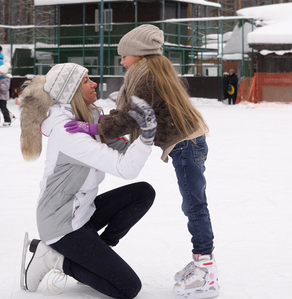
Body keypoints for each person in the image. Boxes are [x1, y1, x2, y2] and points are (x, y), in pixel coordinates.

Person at [64, 25, 219, 299]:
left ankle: (205, 268)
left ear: (137, 54)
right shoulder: (150, 71)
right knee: (193, 204)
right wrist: (99, 122)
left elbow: (131, 117)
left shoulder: (146, 77)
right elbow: (129, 113)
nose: (122, 61)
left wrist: (93, 128)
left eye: (124, 55)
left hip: (186, 145)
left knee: (194, 206)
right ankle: (201, 261)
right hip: (187, 144)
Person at [19, 63, 158, 299]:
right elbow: (125, 168)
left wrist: (135, 127)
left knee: (143, 193)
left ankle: (96, 254)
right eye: (85, 81)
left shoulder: (89, 118)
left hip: (82, 212)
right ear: (71, 91)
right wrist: (146, 137)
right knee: (127, 287)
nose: (94, 83)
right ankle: (56, 259)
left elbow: (122, 150)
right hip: (61, 224)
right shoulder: (68, 132)